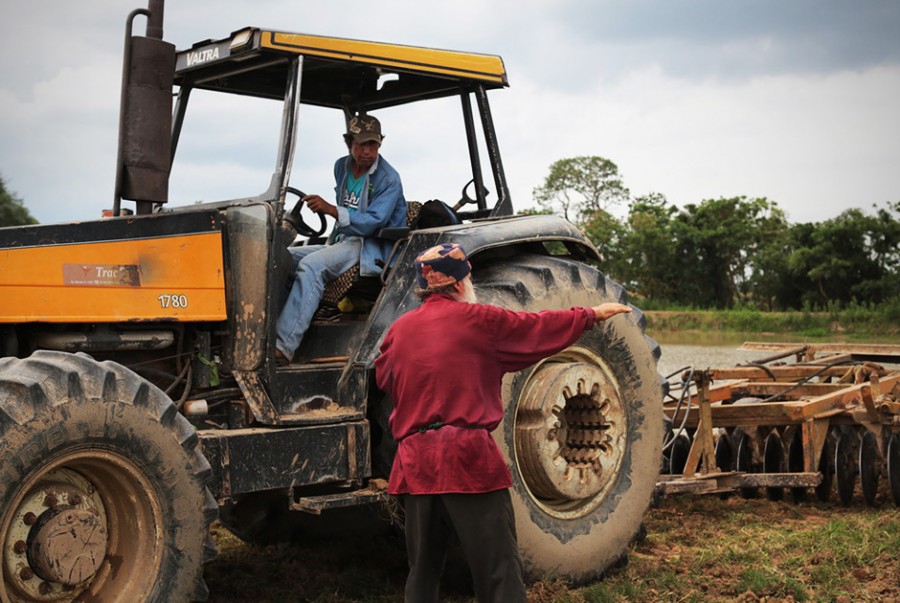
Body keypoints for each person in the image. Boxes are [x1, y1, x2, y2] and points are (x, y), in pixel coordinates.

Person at [374, 243, 633, 602]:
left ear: (425, 285)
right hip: (466, 462)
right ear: (461, 282)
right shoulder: (480, 320)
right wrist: (590, 314)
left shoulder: (397, 331)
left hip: (415, 464)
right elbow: (538, 328)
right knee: (497, 571)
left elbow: (384, 376)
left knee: (422, 572)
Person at [276, 115, 408, 362]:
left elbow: (374, 222)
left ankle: (283, 346)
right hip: (343, 240)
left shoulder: (389, 179)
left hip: (371, 245)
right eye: (362, 145)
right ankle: (271, 330)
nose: (368, 151)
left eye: (373, 145)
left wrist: (331, 210)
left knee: (312, 266)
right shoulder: (342, 167)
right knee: (283, 257)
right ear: (349, 142)